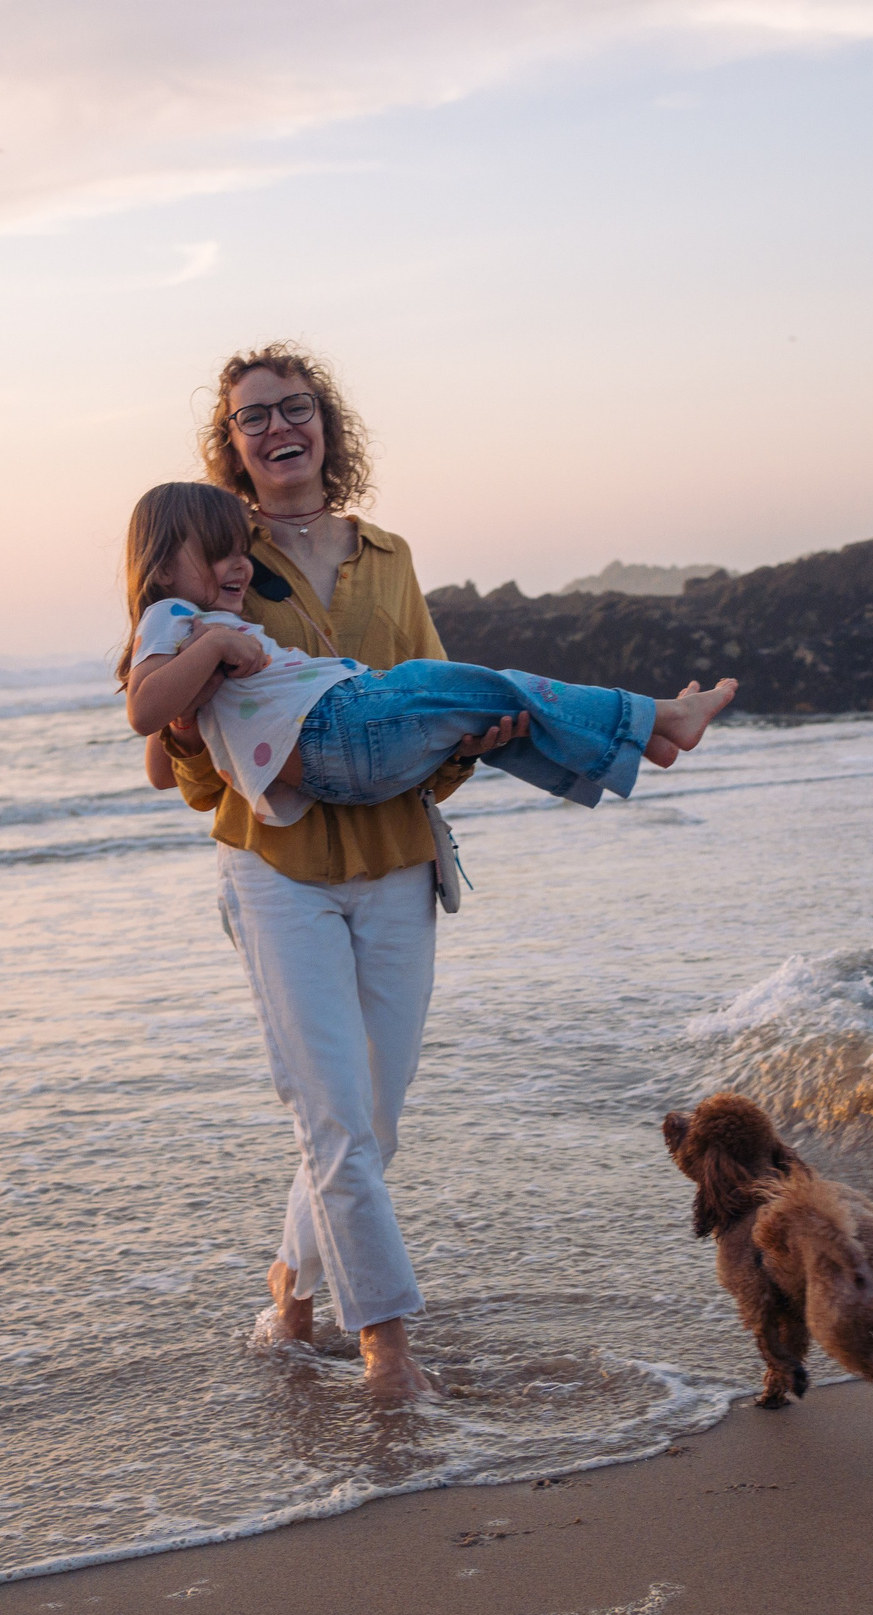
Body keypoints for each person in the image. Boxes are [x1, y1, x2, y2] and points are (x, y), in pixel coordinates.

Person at [126, 345, 533, 1398]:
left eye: (293, 408)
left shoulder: (389, 557)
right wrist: (222, 750)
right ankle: (386, 1347)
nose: (275, 428)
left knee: (375, 1118)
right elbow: (166, 736)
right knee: (333, 1120)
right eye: (252, 417)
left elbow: (433, 697)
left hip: (398, 858)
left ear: (325, 423)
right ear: (234, 444)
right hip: (278, 870)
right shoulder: (213, 558)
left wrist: (464, 747)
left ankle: (293, 1283)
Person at [123, 483, 735, 820]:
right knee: (473, 686)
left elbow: (156, 765)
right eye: (215, 553)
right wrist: (215, 650)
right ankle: (656, 719)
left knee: (491, 718)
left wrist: (203, 672)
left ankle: (634, 740)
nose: (238, 566)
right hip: (333, 733)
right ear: (162, 567)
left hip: (342, 775)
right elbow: (146, 717)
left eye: (241, 552)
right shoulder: (170, 618)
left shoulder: (194, 628)